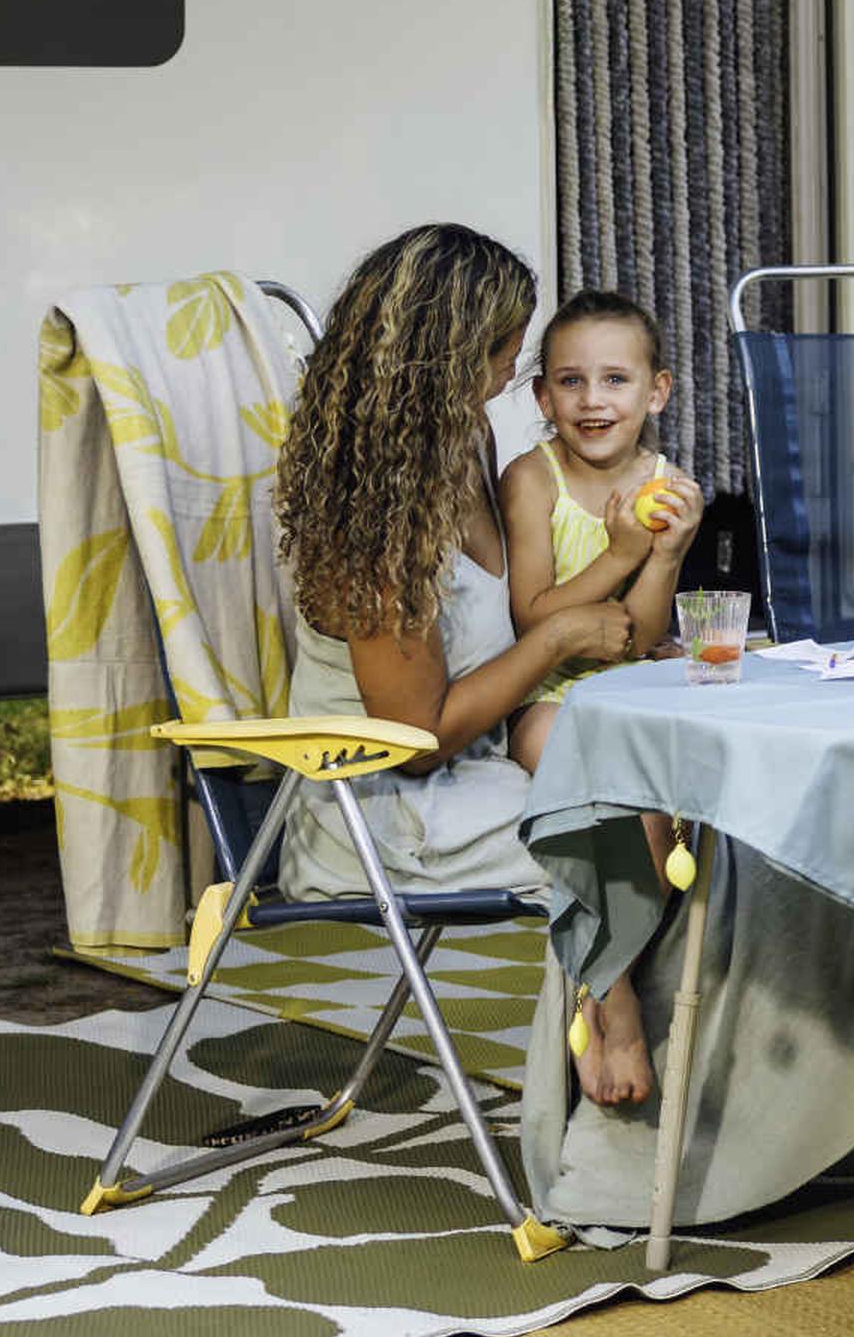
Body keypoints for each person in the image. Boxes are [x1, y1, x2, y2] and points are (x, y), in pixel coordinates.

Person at [273, 224, 661, 1108]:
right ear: (448, 360)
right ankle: (617, 1016)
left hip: (484, 764)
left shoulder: (468, 448)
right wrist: (557, 643)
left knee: (689, 802)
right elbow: (414, 740)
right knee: (638, 826)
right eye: (503, 350)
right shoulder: (367, 516)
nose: (515, 369)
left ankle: (639, 1023)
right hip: (380, 805)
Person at [499, 288, 709, 744]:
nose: (593, 399)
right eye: (571, 381)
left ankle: (650, 820)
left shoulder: (665, 485)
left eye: (615, 379)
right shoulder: (532, 480)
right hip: (545, 688)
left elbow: (641, 638)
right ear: (544, 396)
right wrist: (620, 555)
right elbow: (532, 619)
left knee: (679, 742)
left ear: (656, 392)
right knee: (547, 738)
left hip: (631, 679)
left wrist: (667, 557)